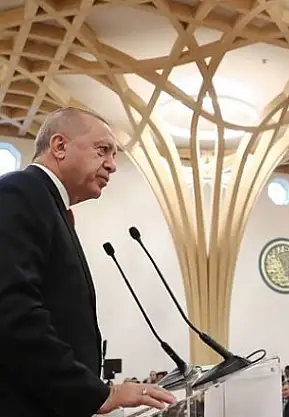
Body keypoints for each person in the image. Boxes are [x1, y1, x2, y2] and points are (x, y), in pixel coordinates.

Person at [0, 107, 176, 417]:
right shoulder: (20, 192)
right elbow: (13, 311)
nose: (112, 165)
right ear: (59, 146)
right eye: (102, 150)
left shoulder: (49, 205)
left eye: (114, 155)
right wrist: (95, 394)